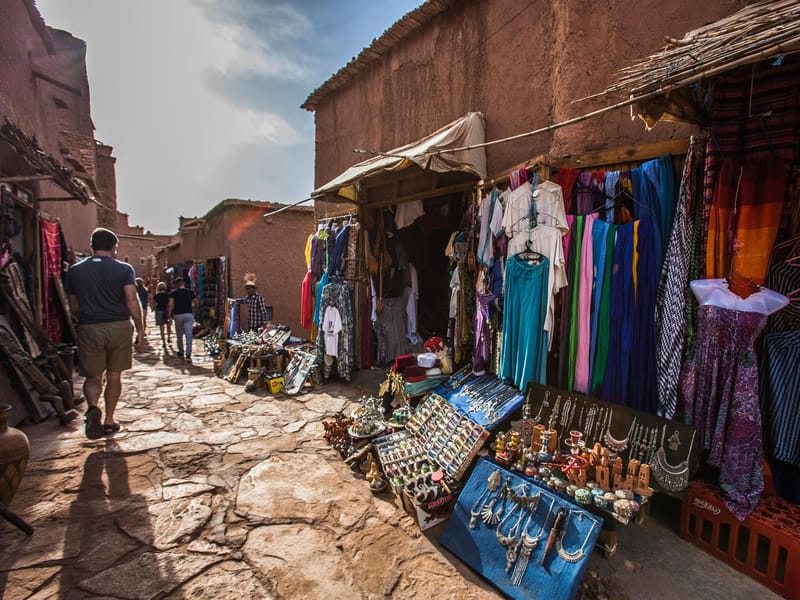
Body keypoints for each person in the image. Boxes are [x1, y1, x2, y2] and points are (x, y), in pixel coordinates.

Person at [66, 227, 146, 439]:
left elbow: (73, 305)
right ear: (114, 247)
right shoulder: (124, 269)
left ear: (92, 246)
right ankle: (109, 420)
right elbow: (131, 299)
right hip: (119, 326)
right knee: (114, 376)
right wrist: (140, 329)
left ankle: (93, 408)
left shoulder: (75, 271)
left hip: (89, 327)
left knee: (93, 376)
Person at [168, 276, 196, 361]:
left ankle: (181, 351)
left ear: (176, 284)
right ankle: (188, 354)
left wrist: (169, 316)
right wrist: (191, 307)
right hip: (188, 314)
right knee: (189, 335)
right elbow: (196, 302)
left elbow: (170, 305)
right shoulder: (190, 292)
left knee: (179, 335)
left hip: (178, 315)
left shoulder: (174, 293)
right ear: (184, 283)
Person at [153, 281, 172, 349]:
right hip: (166, 311)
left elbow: (154, 304)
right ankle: (169, 337)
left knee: (161, 328)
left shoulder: (156, 295)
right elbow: (170, 304)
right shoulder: (168, 295)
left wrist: (154, 309)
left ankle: (163, 342)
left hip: (159, 311)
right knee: (168, 326)